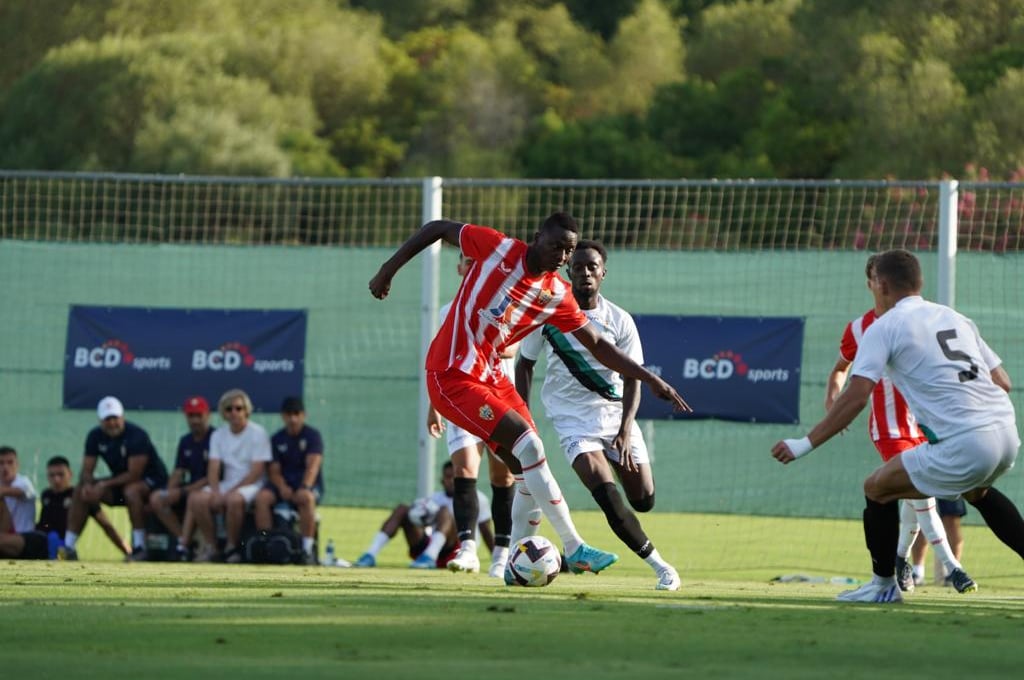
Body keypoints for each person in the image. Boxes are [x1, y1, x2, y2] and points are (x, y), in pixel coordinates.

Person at [369, 212, 691, 575]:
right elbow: (437, 227)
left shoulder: (557, 294)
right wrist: (388, 269)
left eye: (568, 251)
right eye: (557, 246)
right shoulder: (498, 247)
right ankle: (573, 545)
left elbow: (599, 344)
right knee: (530, 450)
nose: (563, 256)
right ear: (538, 238)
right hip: (452, 374)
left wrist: (649, 378)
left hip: (492, 377)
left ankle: (510, 565)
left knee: (529, 474)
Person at [772, 249, 1023, 604]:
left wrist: (804, 443)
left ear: (882, 285)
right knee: (977, 492)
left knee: (876, 488)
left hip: (968, 441)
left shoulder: (884, 326)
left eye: (872, 281)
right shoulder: (955, 317)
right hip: (1006, 432)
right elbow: (1004, 381)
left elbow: (857, 397)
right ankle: (910, 573)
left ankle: (883, 585)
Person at [516, 241, 680, 591]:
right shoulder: (548, 315)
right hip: (573, 422)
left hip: (615, 418)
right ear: (568, 272)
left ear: (603, 272)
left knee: (643, 499)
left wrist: (624, 430)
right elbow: (525, 364)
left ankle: (623, 493)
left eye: (592, 266)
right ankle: (662, 568)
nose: (585, 272)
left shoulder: (620, 320)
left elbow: (634, 374)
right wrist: (522, 414)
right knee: (607, 495)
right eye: (578, 266)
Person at [825, 254, 976, 594]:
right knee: (923, 497)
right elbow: (840, 366)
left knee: (912, 499)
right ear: (872, 285)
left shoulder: (918, 321)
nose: (881, 286)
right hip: (889, 428)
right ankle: (954, 568)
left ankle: (900, 559)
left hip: (924, 425)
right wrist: (833, 397)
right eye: (875, 279)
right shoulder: (860, 328)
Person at [426, 251, 516, 577]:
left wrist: (478, 336)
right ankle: (467, 550)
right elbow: (440, 360)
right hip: (461, 398)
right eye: (467, 262)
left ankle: (502, 554)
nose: (471, 267)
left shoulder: (503, 303)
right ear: (460, 268)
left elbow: (510, 348)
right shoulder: (446, 311)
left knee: (502, 477)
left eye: (478, 263)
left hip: (498, 400)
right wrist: (434, 406)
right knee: (464, 469)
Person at [62, 397, 169, 561]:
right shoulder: (95, 436)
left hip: (153, 482)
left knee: (131, 491)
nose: (112, 423)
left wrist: (103, 484)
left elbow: (134, 475)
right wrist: (89, 484)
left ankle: (139, 547)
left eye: (115, 418)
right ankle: (68, 547)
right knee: (80, 491)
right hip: (120, 484)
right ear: (100, 420)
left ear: (122, 417)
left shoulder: (136, 435)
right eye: (107, 419)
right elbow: (86, 471)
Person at [353, 461, 496, 569]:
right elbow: (424, 524)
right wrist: (417, 515)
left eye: (455, 477)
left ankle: (430, 557)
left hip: (456, 553)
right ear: (442, 480)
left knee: (445, 510)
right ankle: (370, 555)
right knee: (402, 509)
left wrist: (496, 559)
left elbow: (486, 531)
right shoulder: (434, 498)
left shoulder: (479, 499)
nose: (451, 481)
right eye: (448, 477)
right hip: (427, 547)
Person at [188, 389, 272, 563]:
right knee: (196, 499)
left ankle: (231, 547)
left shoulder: (258, 433)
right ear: (223, 413)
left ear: (246, 411)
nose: (234, 412)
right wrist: (217, 493)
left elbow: (256, 471)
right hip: (227, 484)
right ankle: (212, 547)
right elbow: (213, 468)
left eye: (238, 408)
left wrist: (227, 494)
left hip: (253, 485)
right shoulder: (218, 435)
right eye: (229, 409)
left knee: (234, 500)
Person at [253, 396, 324, 566]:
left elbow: (313, 466)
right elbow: (274, 470)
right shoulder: (277, 439)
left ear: (303, 415)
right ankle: (267, 545)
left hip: (306, 485)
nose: (293, 418)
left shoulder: (313, 436)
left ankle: (307, 550)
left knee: (306, 498)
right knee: (262, 498)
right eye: (289, 414)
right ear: (282, 416)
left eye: (296, 414)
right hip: (283, 485)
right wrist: (282, 487)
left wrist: (305, 486)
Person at [153, 396, 214, 561]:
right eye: (191, 415)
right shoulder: (185, 441)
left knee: (194, 498)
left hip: (210, 488)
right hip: (189, 488)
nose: (195, 420)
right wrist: (169, 491)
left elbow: (213, 476)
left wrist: (185, 490)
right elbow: (179, 471)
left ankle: (196, 546)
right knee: (157, 499)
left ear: (208, 415)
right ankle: (183, 540)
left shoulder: (216, 437)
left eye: (198, 415)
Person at [39, 456, 131, 558]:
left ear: (70, 474)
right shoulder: (46, 495)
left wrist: (128, 552)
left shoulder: (80, 497)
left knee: (55, 540)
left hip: (62, 546)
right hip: (42, 543)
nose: (56, 479)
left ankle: (67, 548)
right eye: (52, 475)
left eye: (61, 475)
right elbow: (43, 524)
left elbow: (106, 524)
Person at [0, 445, 37, 533]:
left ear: (17, 465)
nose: (5, 467)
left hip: (24, 538)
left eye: (10, 462)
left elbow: (14, 491)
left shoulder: (24, 482)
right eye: (1, 463)